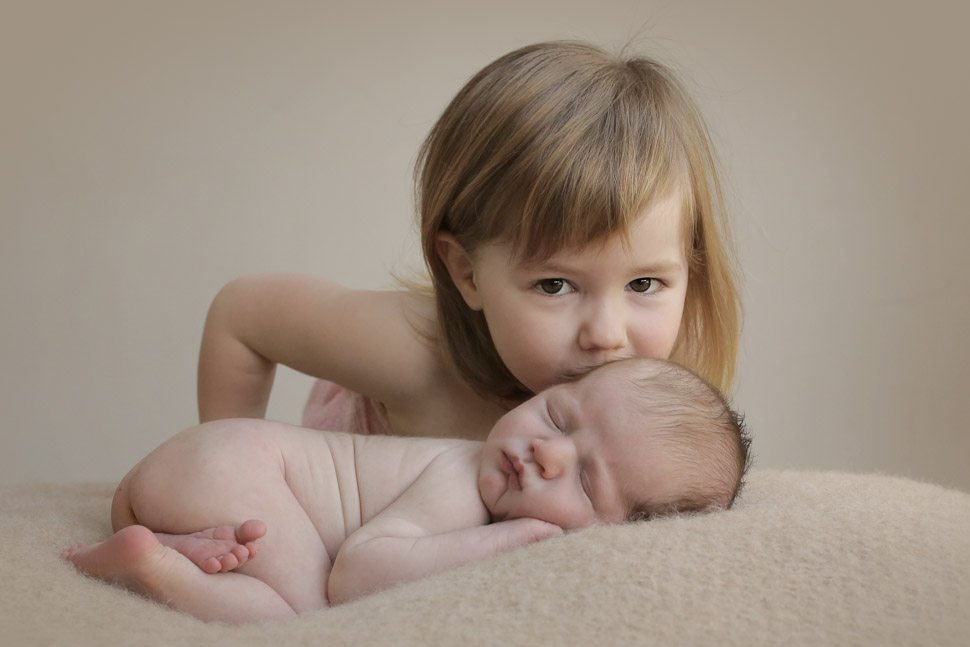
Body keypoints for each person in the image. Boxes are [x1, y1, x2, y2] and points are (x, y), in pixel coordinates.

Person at [197, 40, 741, 444]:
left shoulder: (667, 398)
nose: (605, 335)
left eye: (644, 283)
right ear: (467, 273)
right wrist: (229, 476)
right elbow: (243, 314)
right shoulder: (413, 354)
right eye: (555, 285)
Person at [64, 358, 750, 624]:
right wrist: (502, 538)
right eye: (557, 413)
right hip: (237, 464)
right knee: (298, 616)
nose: (545, 449)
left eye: (584, 475)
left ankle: (172, 540)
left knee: (264, 572)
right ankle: (150, 566)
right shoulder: (461, 479)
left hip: (194, 472)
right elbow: (356, 572)